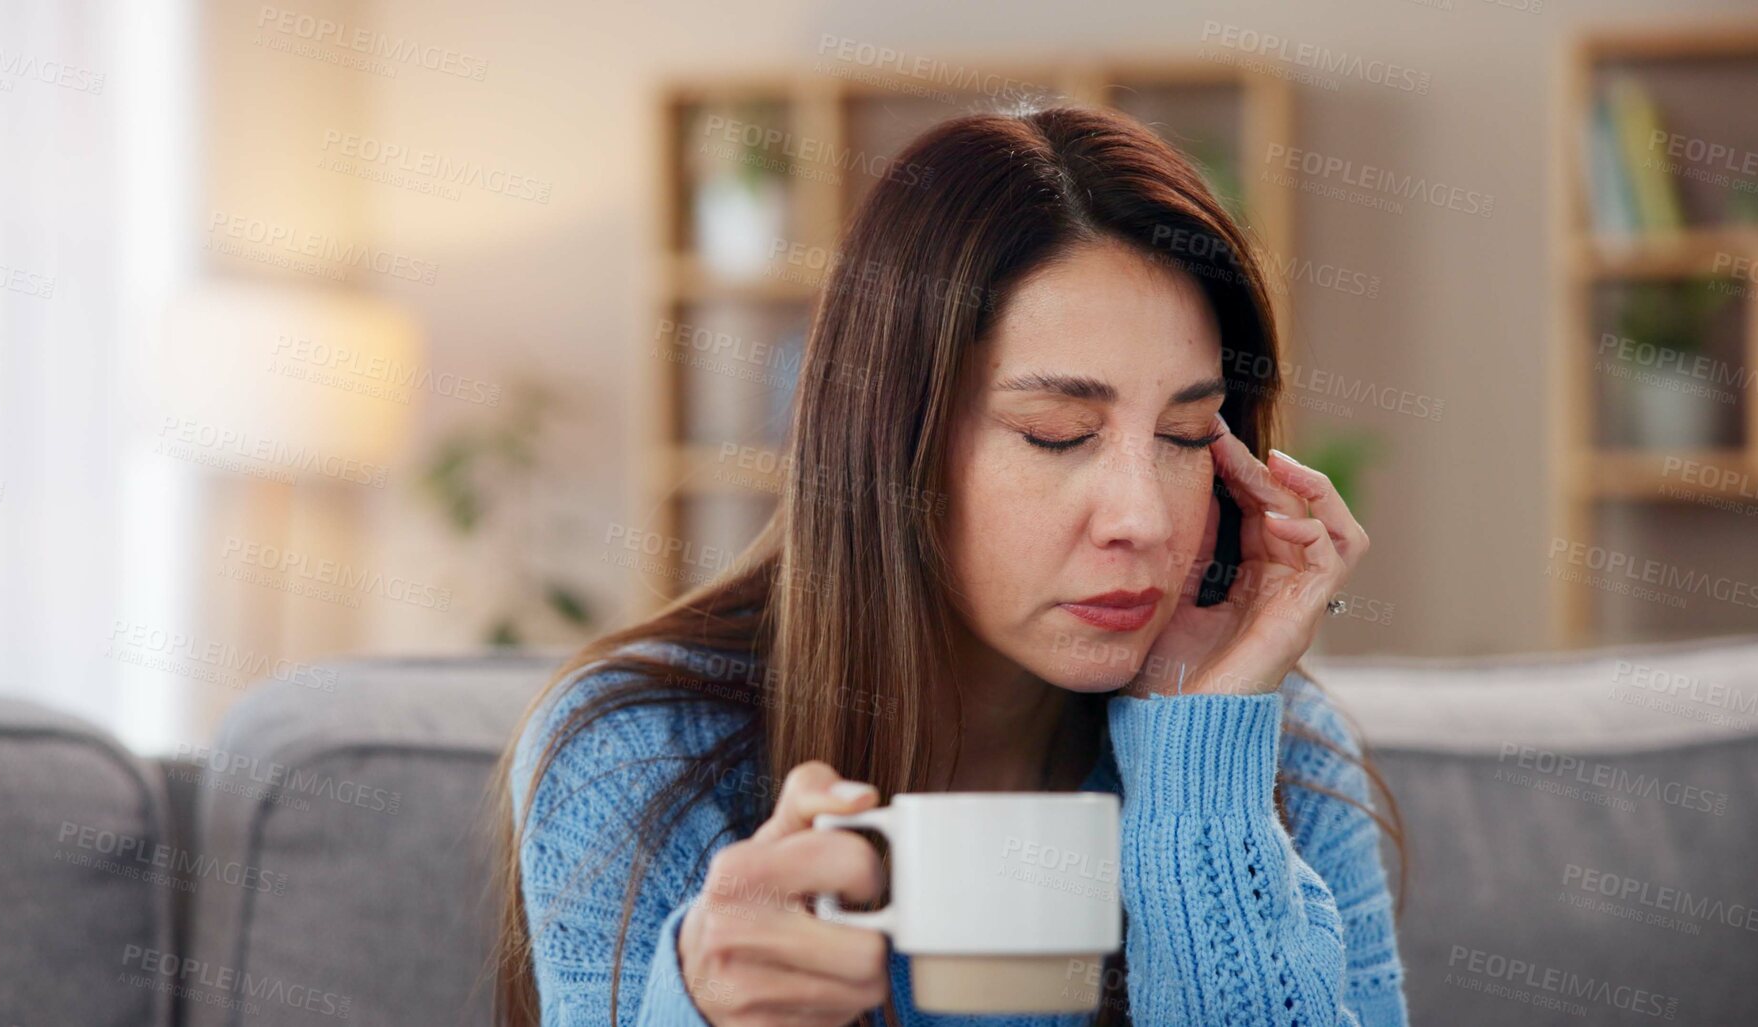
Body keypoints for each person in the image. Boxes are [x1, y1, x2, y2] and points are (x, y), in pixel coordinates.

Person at [493, 103, 1409, 1026]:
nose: (1142, 518)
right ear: (892, 444)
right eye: (1056, 434)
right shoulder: (640, 748)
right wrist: (693, 1008)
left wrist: (1199, 781)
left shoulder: (1278, 748)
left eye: (1181, 435)